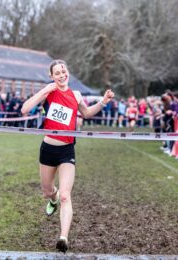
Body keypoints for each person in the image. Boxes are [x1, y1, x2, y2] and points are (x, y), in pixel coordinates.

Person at [21, 60, 114, 253]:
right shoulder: (49, 92)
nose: (62, 75)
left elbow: (87, 113)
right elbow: (24, 109)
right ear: (52, 76)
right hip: (48, 149)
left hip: (66, 151)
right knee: (48, 191)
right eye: (57, 73)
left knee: (66, 195)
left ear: (67, 73)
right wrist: (44, 91)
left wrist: (103, 102)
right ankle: (52, 199)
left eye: (64, 71)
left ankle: (63, 237)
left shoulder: (76, 94)